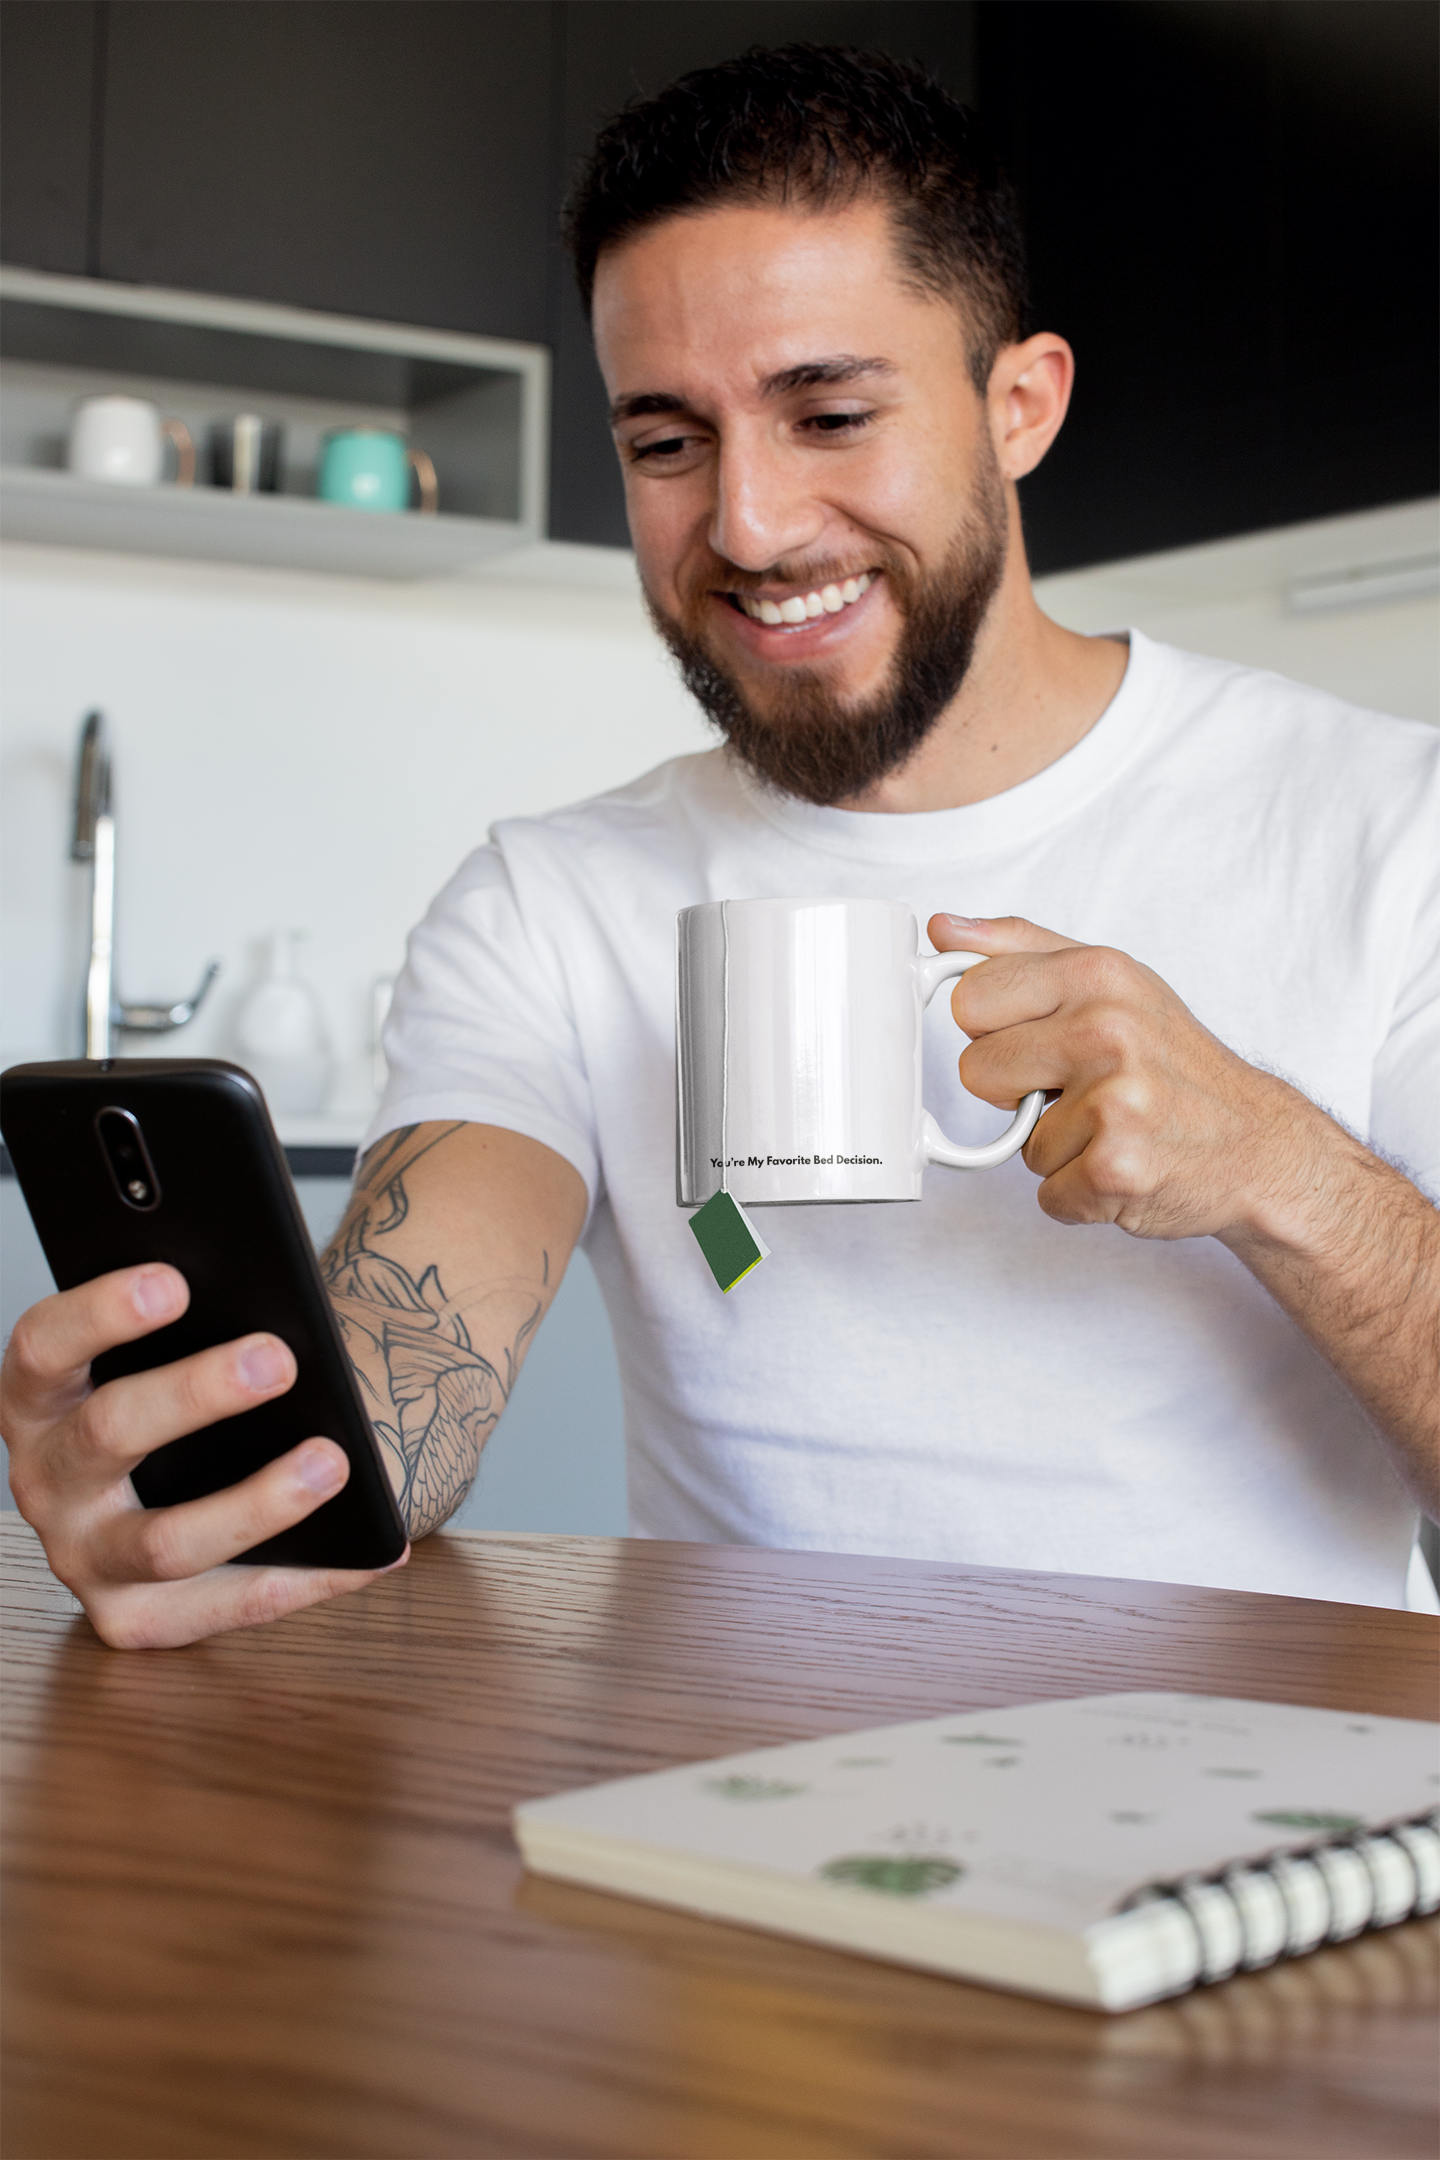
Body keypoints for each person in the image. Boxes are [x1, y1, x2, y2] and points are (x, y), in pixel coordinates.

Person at [3, 48, 1436, 1649]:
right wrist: (245, 1486)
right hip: (728, 1810)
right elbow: (427, 1327)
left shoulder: (1388, 827)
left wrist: (1287, 1172)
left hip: (1268, 1846)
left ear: (1018, 405)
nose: (747, 527)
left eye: (829, 412)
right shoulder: (553, 903)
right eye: (667, 443)